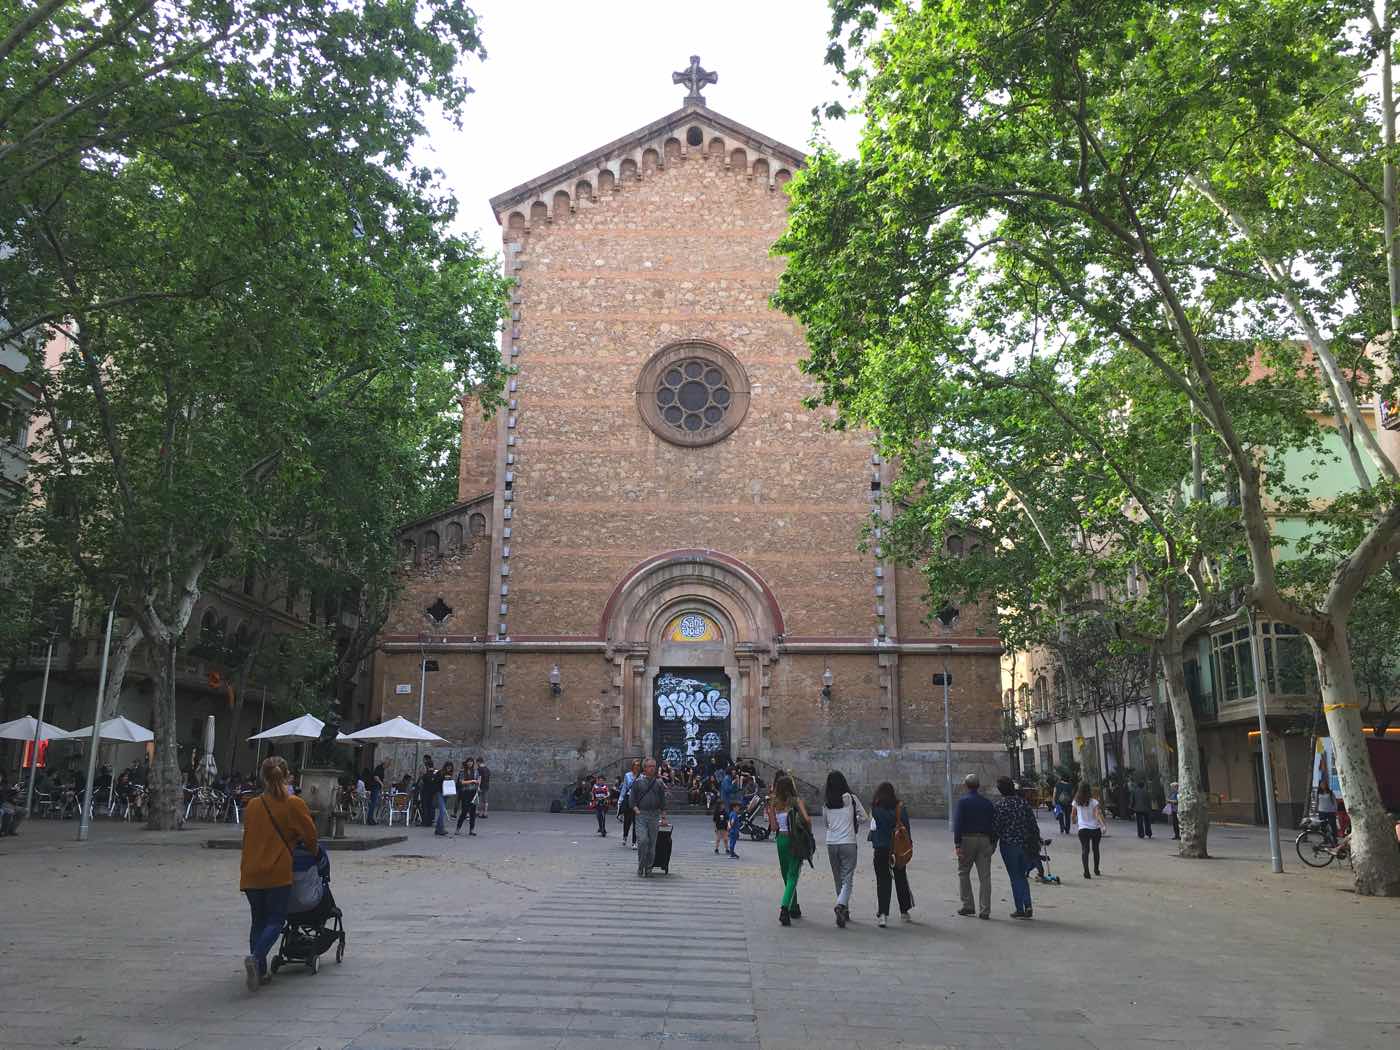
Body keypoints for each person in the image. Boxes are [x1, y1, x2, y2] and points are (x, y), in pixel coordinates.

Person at [239, 755, 318, 991]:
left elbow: (248, 837)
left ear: (263, 776)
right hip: (277, 871)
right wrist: (312, 852)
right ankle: (256, 957)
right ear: (287, 777)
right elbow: (311, 835)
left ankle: (260, 972)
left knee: (258, 921)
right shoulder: (294, 803)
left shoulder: (253, 805)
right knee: (276, 919)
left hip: (251, 871)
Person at [822, 770, 868, 928]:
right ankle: (841, 905)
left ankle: (844, 909)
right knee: (847, 878)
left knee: (838, 878)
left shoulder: (827, 803)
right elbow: (864, 817)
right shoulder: (851, 799)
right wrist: (852, 819)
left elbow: (826, 824)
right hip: (848, 842)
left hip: (831, 843)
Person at [991, 775, 1040, 919]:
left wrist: (992, 843)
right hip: (1025, 844)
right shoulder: (1023, 803)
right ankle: (1028, 904)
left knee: (1015, 877)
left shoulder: (1000, 806)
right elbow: (1032, 824)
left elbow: (996, 828)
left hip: (1009, 846)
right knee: (1022, 875)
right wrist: (1035, 843)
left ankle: (1020, 908)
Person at [768, 773, 811, 926]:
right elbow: (807, 819)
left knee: (786, 874)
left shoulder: (773, 803)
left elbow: (773, 827)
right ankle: (785, 908)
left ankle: (794, 907)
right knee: (793, 875)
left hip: (781, 840)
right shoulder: (796, 801)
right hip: (795, 841)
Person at [868, 781, 913, 928]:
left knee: (882, 880)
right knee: (900, 878)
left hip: (881, 848)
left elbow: (873, 829)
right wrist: (909, 844)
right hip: (897, 849)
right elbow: (905, 827)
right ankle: (904, 911)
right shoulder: (900, 807)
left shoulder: (875, 808)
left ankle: (883, 914)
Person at [953, 772, 997, 920]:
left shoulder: (963, 802)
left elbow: (958, 823)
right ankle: (985, 910)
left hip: (967, 839)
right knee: (985, 876)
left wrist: (957, 843)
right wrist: (993, 843)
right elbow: (994, 824)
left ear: (966, 786)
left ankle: (968, 905)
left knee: (963, 872)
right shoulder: (987, 803)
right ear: (978, 786)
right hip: (985, 840)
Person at [630, 757, 667, 877]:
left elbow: (662, 800)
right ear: (644, 768)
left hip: (654, 815)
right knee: (642, 841)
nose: (652, 768)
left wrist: (664, 815)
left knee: (652, 844)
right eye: (650, 766)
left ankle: (649, 868)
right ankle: (641, 866)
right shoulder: (637, 782)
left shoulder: (659, 783)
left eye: (654, 766)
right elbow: (632, 799)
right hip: (642, 815)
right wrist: (636, 810)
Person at [1073, 782, 1106, 878]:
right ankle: (1096, 869)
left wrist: (1073, 821)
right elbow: (1097, 814)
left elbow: (1073, 814)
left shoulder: (1076, 801)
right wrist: (1103, 825)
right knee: (1096, 849)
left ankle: (1086, 872)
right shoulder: (1094, 802)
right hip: (1095, 829)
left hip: (1083, 829)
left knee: (1085, 850)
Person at [619, 759, 641, 849]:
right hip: (628, 798)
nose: (636, 767)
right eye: (635, 765)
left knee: (636, 822)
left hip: (637, 800)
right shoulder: (627, 775)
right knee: (627, 821)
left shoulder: (641, 777)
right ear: (632, 766)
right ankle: (625, 836)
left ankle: (634, 842)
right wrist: (620, 799)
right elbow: (624, 788)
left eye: (638, 765)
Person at [456, 759, 479, 836]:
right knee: (464, 811)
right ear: (466, 763)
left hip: (473, 793)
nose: (470, 763)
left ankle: (471, 830)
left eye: (471, 762)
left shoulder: (475, 771)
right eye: (469, 762)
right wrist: (472, 781)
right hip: (465, 793)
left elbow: (478, 780)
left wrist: (478, 782)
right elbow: (461, 782)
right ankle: (458, 828)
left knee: (473, 812)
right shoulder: (462, 771)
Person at [433, 761, 453, 836]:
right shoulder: (440, 773)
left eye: (450, 767)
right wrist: (443, 779)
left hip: (446, 793)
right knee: (442, 811)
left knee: (443, 810)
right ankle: (441, 828)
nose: (449, 768)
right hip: (440, 793)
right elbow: (436, 782)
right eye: (448, 767)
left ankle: (438, 829)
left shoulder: (450, 774)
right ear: (445, 767)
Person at [591, 772, 611, 836]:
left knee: (603, 815)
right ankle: (600, 827)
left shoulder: (605, 787)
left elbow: (608, 793)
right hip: (597, 802)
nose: (601, 781)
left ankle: (603, 829)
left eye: (602, 780)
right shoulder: (595, 786)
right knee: (598, 815)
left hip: (603, 802)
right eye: (600, 780)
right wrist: (593, 799)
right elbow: (592, 793)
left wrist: (605, 796)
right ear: (598, 780)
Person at [368, 761, 385, 826]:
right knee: (373, 803)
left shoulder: (382, 769)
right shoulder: (379, 768)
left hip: (376, 787)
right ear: (385, 763)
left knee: (374, 804)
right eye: (388, 764)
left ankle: (371, 818)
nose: (388, 766)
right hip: (375, 787)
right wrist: (381, 783)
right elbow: (376, 777)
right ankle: (370, 819)